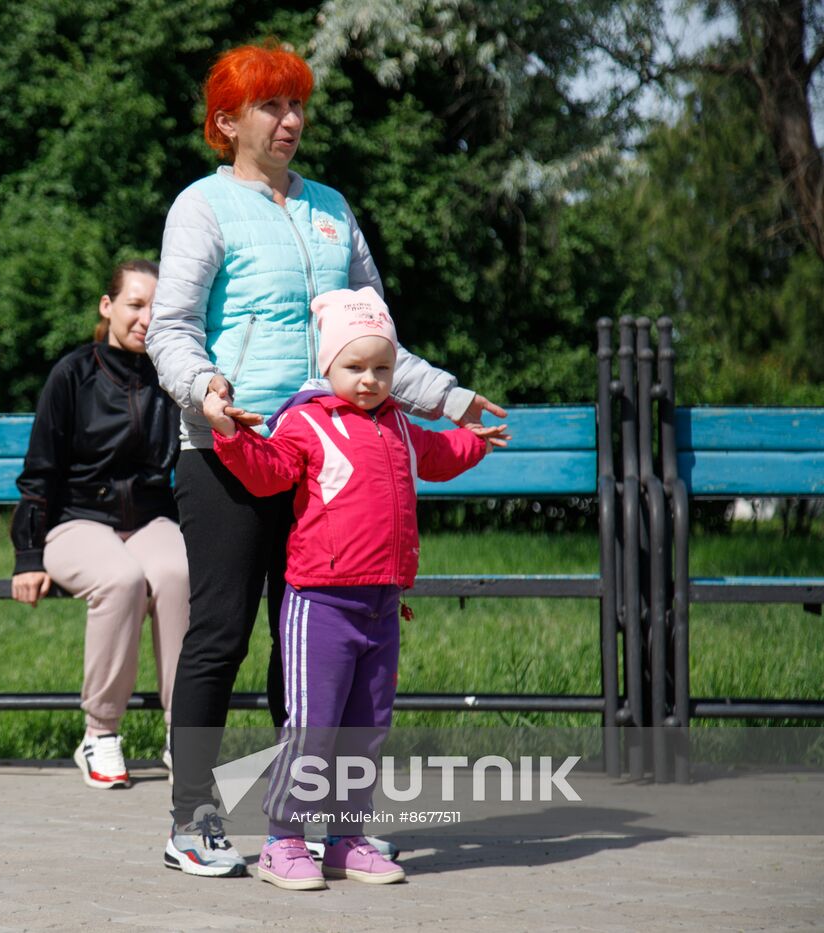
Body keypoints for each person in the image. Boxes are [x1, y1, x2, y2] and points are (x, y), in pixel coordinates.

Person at [146, 40, 508, 877]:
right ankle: (193, 816)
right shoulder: (201, 207)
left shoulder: (333, 209)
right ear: (227, 120)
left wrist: (449, 398)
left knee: (302, 646)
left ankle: (303, 827)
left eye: (298, 105)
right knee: (221, 632)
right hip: (231, 450)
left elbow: (368, 337)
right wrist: (205, 390)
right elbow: (169, 328)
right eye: (272, 106)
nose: (292, 121)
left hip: (325, 455)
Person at [203, 287, 505, 890]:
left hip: (383, 603)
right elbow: (267, 472)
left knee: (366, 726)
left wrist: (473, 441)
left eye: (382, 368)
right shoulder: (306, 420)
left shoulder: (397, 422)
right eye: (354, 367)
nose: (369, 380)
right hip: (320, 604)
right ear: (326, 364)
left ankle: (345, 839)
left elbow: (437, 455)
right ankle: (283, 841)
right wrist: (231, 437)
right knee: (312, 726)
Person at [11, 259, 187, 790]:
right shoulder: (72, 374)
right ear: (107, 307)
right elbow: (40, 469)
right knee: (121, 580)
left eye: (157, 307)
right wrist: (27, 556)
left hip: (151, 521)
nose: (146, 318)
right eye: (135, 304)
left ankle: (186, 736)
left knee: (180, 575)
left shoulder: (174, 375)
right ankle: (100, 732)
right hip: (75, 524)